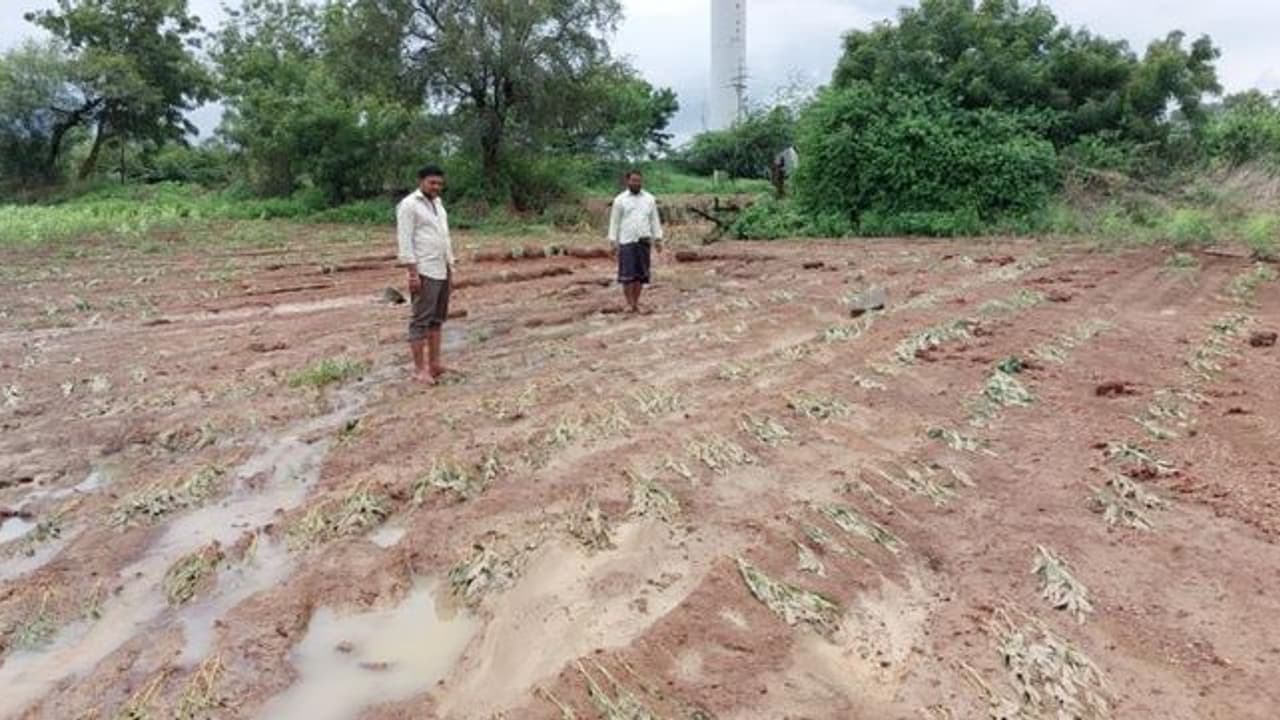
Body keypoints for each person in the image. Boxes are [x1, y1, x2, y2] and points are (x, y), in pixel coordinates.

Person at [397, 164, 456, 385]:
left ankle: (435, 364)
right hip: (424, 271)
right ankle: (419, 370)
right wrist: (413, 274)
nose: (436, 187)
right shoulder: (409, 206)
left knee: (437, 320)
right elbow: (405, 241)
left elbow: (444, 237)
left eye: (440, 183)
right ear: (421, 181)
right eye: (432, 182)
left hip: (442, 268)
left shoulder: (438, 204)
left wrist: (451, 267)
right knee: (420, 320)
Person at [607, 170, 664, 313]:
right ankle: (629, 303)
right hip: (627, 241)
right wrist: (613, 241)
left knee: (640, 275)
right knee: (627, 276)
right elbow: (615, 222)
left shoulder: (649, 199)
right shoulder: (620, 200)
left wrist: (658, 239)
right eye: (633, 181)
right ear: (627, 181)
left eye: (638, 181)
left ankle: (636, 303)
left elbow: (654, 220)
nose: (636, 183)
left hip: (643, 241)